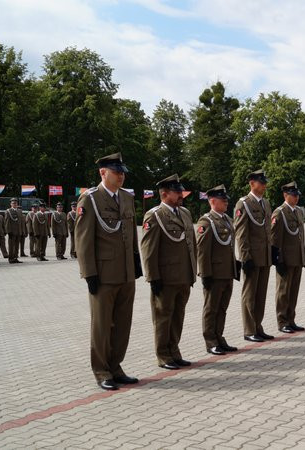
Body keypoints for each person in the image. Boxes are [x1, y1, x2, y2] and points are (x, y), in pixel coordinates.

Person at [75, 152, 142, 391]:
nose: (121, 176)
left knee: (123, 324)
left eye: (122, 171)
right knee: (102, 326)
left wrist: (136, 261)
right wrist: (89, 273)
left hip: (125, 273)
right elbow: (83, 240)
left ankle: (116, 367)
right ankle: (102, 371)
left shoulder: (126, 197)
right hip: (103, 275)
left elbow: (131, 233)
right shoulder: (90, 199)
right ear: (103, 173)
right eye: (117, 171)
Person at [141, 174, 197, 370]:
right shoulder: (154, 215)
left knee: (177, 317)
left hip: (183, 276)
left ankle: (174, 351)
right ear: (164, 194)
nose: (181, 194)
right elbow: (148, 249)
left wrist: (193, 271)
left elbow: (192, 245)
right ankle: (163, 355)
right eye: (176, 191)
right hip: (165, 278)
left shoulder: (185, 213)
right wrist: (152, 277)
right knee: (163, 318)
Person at [196, 185, 238, 355]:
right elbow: (202, 251)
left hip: (227, 272)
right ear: (212, 201)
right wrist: (205, 274)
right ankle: (210, 340)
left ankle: (219, 337)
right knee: (211, 309)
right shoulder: (206, 222)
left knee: (222, 308)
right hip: (214, 274)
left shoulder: (227, 219)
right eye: (223, 199)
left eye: (226, 199)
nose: (226, 202)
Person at [234, 169, 273, 342]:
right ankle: (249, 330)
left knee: (261, 294)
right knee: (249, 294)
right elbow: (241, 233)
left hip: (265, 256)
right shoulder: (244, 204)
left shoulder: (265, 203)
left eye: (265, 183)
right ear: (252, 183)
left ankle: (258, 326)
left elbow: (267, 231)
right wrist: (245, 256)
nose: (264, 185)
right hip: (252, 257)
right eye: (261, 182)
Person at [270, 181, 305, 334]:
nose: (296, 198)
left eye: (297, 195)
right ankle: (282, 321)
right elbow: (274, 238)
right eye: (293, 195)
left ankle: (291, 319)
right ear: (285, 195)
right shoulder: (279, 212)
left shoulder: (298, 211)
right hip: (285, 259)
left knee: (293, 291)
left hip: (297, 257)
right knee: (283, 291)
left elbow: (300, 235)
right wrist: (278, 259)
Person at [4, 198, 25, 264]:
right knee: (11, 246)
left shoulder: (19, 211)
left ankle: (15, 257)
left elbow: (21, 222)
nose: (14, 204)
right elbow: (7, 222)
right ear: (10, 204)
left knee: (16, 246)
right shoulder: (8, 211)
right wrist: (8, 231)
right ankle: (11, 258)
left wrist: (22, 231)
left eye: (15, 203)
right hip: (12, 231)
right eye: (13, 203)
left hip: (18, 231)